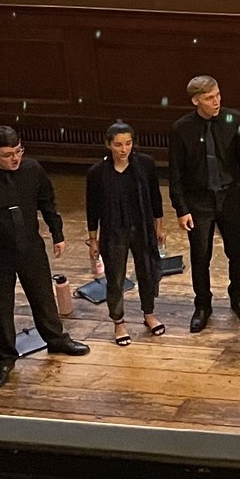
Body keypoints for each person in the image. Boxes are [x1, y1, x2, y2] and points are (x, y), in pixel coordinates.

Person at [0, 127, 90, 390]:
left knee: (42, 296)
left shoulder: (32, 170)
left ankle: (56, 340)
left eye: (18, 151)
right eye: (8, 155)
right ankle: (6, 357)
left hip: (29, 246)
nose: (15, 158)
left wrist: (57, 232)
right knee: (0, 308)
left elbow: (47, 202)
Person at [168, 75, 240, 332]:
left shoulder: (233, 119)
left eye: (218, 95)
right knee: (200, 255)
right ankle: (203, 304)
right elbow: (175, 173)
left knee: (237, 251)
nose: (216, 101)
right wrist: (181, 209)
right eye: (209, 98)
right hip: (199, 200)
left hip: (229, 196)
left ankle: (238, 297)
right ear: (196, 101)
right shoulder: (181, 129)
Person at [85, 122, 167, 346]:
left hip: (141, 227)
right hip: (114, 231)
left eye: (128, 143)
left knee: (147, 271)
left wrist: (159, 226)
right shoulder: (97, 173)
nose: (124, 149)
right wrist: (93, 240)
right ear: (108, 145)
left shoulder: (145, 165)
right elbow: (92, 209)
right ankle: (118, 322)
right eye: (118, 144)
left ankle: (148, 313)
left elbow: (155, 198)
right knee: (116, 277)